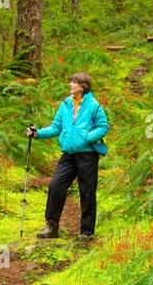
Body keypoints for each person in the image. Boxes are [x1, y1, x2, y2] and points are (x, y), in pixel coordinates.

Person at [28, 73, 109, 241]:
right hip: (68, 155)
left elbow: (103, 127)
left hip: (87, 155)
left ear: (83, 86)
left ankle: (86, 232)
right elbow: (56, 127)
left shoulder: (93, 105)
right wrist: (37, 134)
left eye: (74, 82)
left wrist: (87, 137)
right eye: (71, 81)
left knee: (87, 192)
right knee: (55, 186)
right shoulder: (65, 104)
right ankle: (52, 227)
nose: (70, 84)